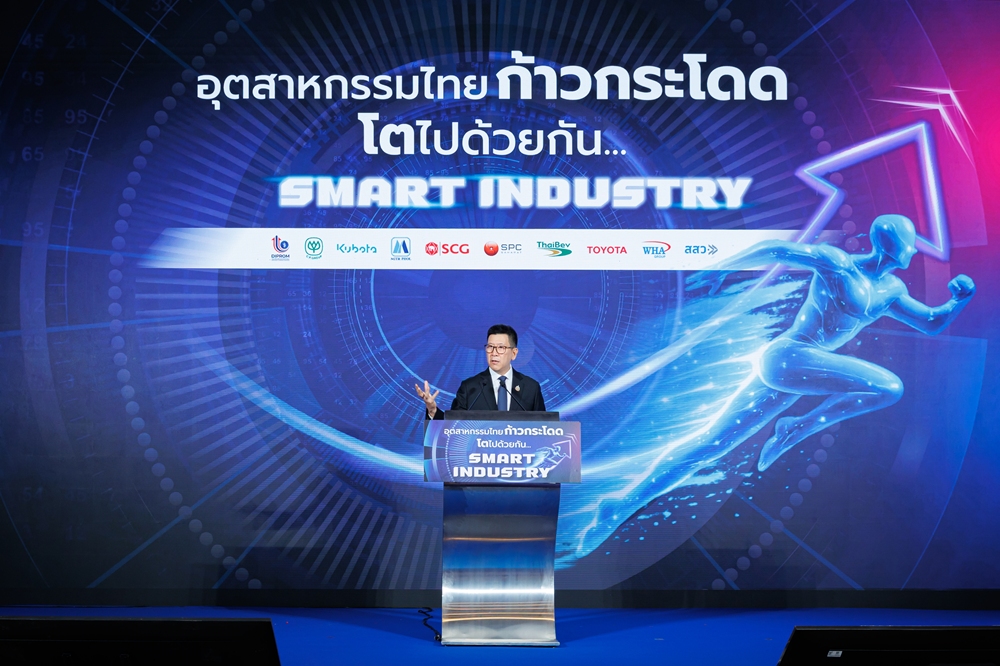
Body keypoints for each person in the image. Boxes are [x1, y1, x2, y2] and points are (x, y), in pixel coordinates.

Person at [687, 213, 976, 470]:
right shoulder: (838, 263)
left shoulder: (892, 290)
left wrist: (959, 300)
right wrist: (723, 267)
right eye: (910, 243)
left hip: (801, 368)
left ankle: (791, 431)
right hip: (790, 355)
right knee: (888, 387)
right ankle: (795, 430)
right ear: (897, 245)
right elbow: (776, 249)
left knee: (714, 444)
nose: (913, 249)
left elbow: (930, 322)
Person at [415, 324, 546, 419]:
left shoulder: (531, 388)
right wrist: (432, 410)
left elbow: (544, 430)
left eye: (501, 348)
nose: (494, 353)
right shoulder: (470, 388)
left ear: (514, 353)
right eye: (490, 347)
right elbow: (452, 428)